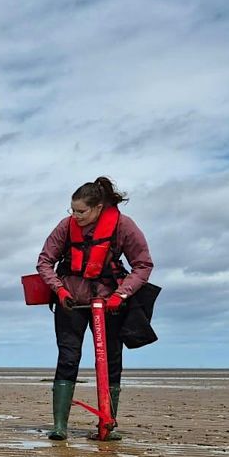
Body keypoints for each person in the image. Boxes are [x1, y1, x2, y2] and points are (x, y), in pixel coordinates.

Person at [35, 176, 154, 441]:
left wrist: (121, 295)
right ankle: (60, 426)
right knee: (67, 358)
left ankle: (107, 424)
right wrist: (59, 289)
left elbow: (143, 265)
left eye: (81, 211)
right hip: (71, 303)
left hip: (110, 305)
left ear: (99, 207)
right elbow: (44, 262)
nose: (75, 216)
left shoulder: (124, 226)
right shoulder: (66, 227)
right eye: (72, 210)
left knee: (111, 362)